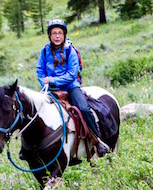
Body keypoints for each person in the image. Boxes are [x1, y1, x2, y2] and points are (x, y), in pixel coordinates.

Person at [37, 19, 111, 157]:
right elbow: (40, 71)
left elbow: (71, 75)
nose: (57, 36)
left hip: (70, 88)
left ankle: (97, 141)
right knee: (34, 110)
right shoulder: (45, 51)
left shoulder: (70, 51)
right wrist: (45, 84)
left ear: (64, 34)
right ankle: (31, 147)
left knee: (84, 108)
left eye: (60, 33)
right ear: (49, 35)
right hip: (50, 90)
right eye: (54, 33)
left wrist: (52, 80)